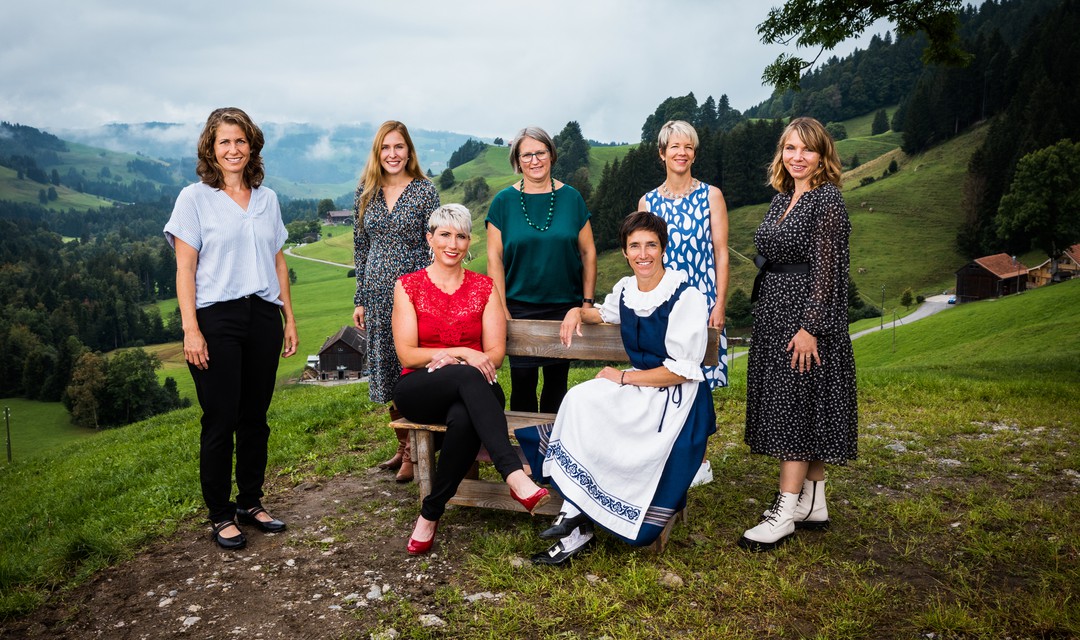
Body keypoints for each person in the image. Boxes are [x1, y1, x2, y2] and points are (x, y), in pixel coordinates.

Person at [520, 212, 716, 565]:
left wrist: (624, 378)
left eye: (651, 245)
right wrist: (576, 312)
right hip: (642, 385)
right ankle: (576, 511)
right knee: (580, 399)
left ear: (663, 248)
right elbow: (605, 314)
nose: (643, 254)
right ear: (625, 252)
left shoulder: (686, 296)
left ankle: (576, 516)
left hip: (675, 398)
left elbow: (682, 372)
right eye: (635, 246)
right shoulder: (627, 289)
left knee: (606, 415)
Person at [164, 107, 298, 551]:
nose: (233, 149)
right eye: (224, 142)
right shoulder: (194, 199)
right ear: (211, 148)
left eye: (240, 141)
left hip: (262, 315)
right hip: (216, 318)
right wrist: (191, 329)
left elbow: (278, 261)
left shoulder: (268, 199)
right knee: (220, 418)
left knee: (254, 418)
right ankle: (220, 514)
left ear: (252, 145)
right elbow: (185, 270)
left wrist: (288, 316)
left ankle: (250, 503)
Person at [391, 204, 551, 555]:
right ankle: (514, 474)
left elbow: (494, 353)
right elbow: (407, 354)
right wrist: (461, 352)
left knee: (464, 417)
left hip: (476, 389)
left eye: (461, 236)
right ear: (430, 238)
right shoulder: (408, 286)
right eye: (445, 234)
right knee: (465, 375)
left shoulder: (484, 287)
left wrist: (465, 357)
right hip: (421, 387)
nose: (453, 243)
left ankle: (430, 513)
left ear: (468, 242)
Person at [739, 117, 858, 552]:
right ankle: (815, 503)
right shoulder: (782, 199)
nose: (798, 157)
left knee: (796, 409)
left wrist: (811, 327)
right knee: (803, 407)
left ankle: (785, 510)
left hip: (805, 319)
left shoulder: (828, 201)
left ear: (823, 155)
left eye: (807, 149)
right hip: (775, 313)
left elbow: (828, 272)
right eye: (790, 149)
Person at [639, 119, 731, 487]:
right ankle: (665, 456)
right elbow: (644, 255)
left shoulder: (711, 195)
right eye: (674, 147)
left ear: (694, 153)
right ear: (662, 153)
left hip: (702, 300)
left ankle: (699, 461)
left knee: (699, 383)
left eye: (688, 146)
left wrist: (720, 303)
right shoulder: (649, 201)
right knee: (665, 378)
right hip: (664, 302)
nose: (682, 153)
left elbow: (722, 253)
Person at [486, 126, 597, 414]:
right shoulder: (503, 203)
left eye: (540, 153)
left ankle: (551, 448)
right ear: (517, 160)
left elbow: (588, 252)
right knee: (522, 381)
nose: (534, 160)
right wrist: (501, 306)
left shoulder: (572, 198)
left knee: (556, 382)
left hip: (565, 307)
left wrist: (585, 303)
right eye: (527, 155)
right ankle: (526, 450)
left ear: (551, 154)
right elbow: (494, 259)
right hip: (519, 306)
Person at [352, 120, 440, 483]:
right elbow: (361, 248)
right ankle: (403, 443)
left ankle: (417, 451)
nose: (393, 154)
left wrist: (432, 294)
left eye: (399, 147)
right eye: (386, 148)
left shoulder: (424, 191)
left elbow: (434, 243)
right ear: (378, 152)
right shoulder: (365, 192)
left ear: (409, 151)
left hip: (412, 293)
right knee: (387, 369)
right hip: (375, 293)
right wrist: (359, 298)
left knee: (411, 368)